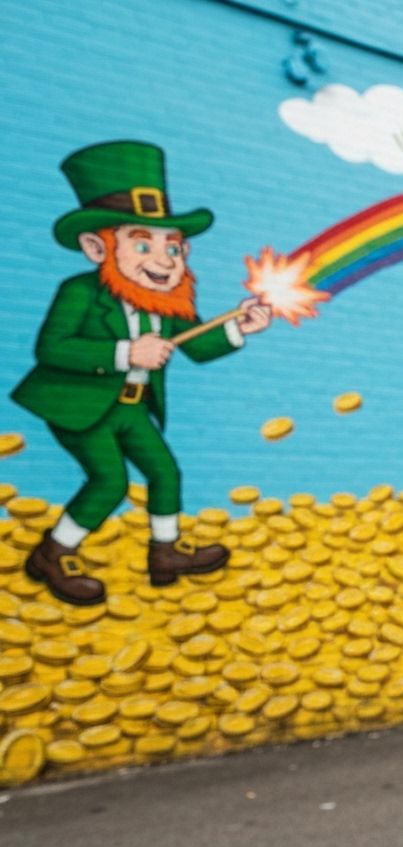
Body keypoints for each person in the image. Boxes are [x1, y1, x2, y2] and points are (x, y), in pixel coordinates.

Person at [12, 141, 271, 606]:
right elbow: (52, 348)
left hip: (132, 408)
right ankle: (52, 553)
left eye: (173, 245)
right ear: (97, 247)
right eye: (143, 243)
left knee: (164, 472)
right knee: (108, 481)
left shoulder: (167, 303)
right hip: (81, 407)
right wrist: (126, 351)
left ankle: (165, 552)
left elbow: (197, 345)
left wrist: (238, 328)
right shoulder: (80, 293)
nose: (165, 258)